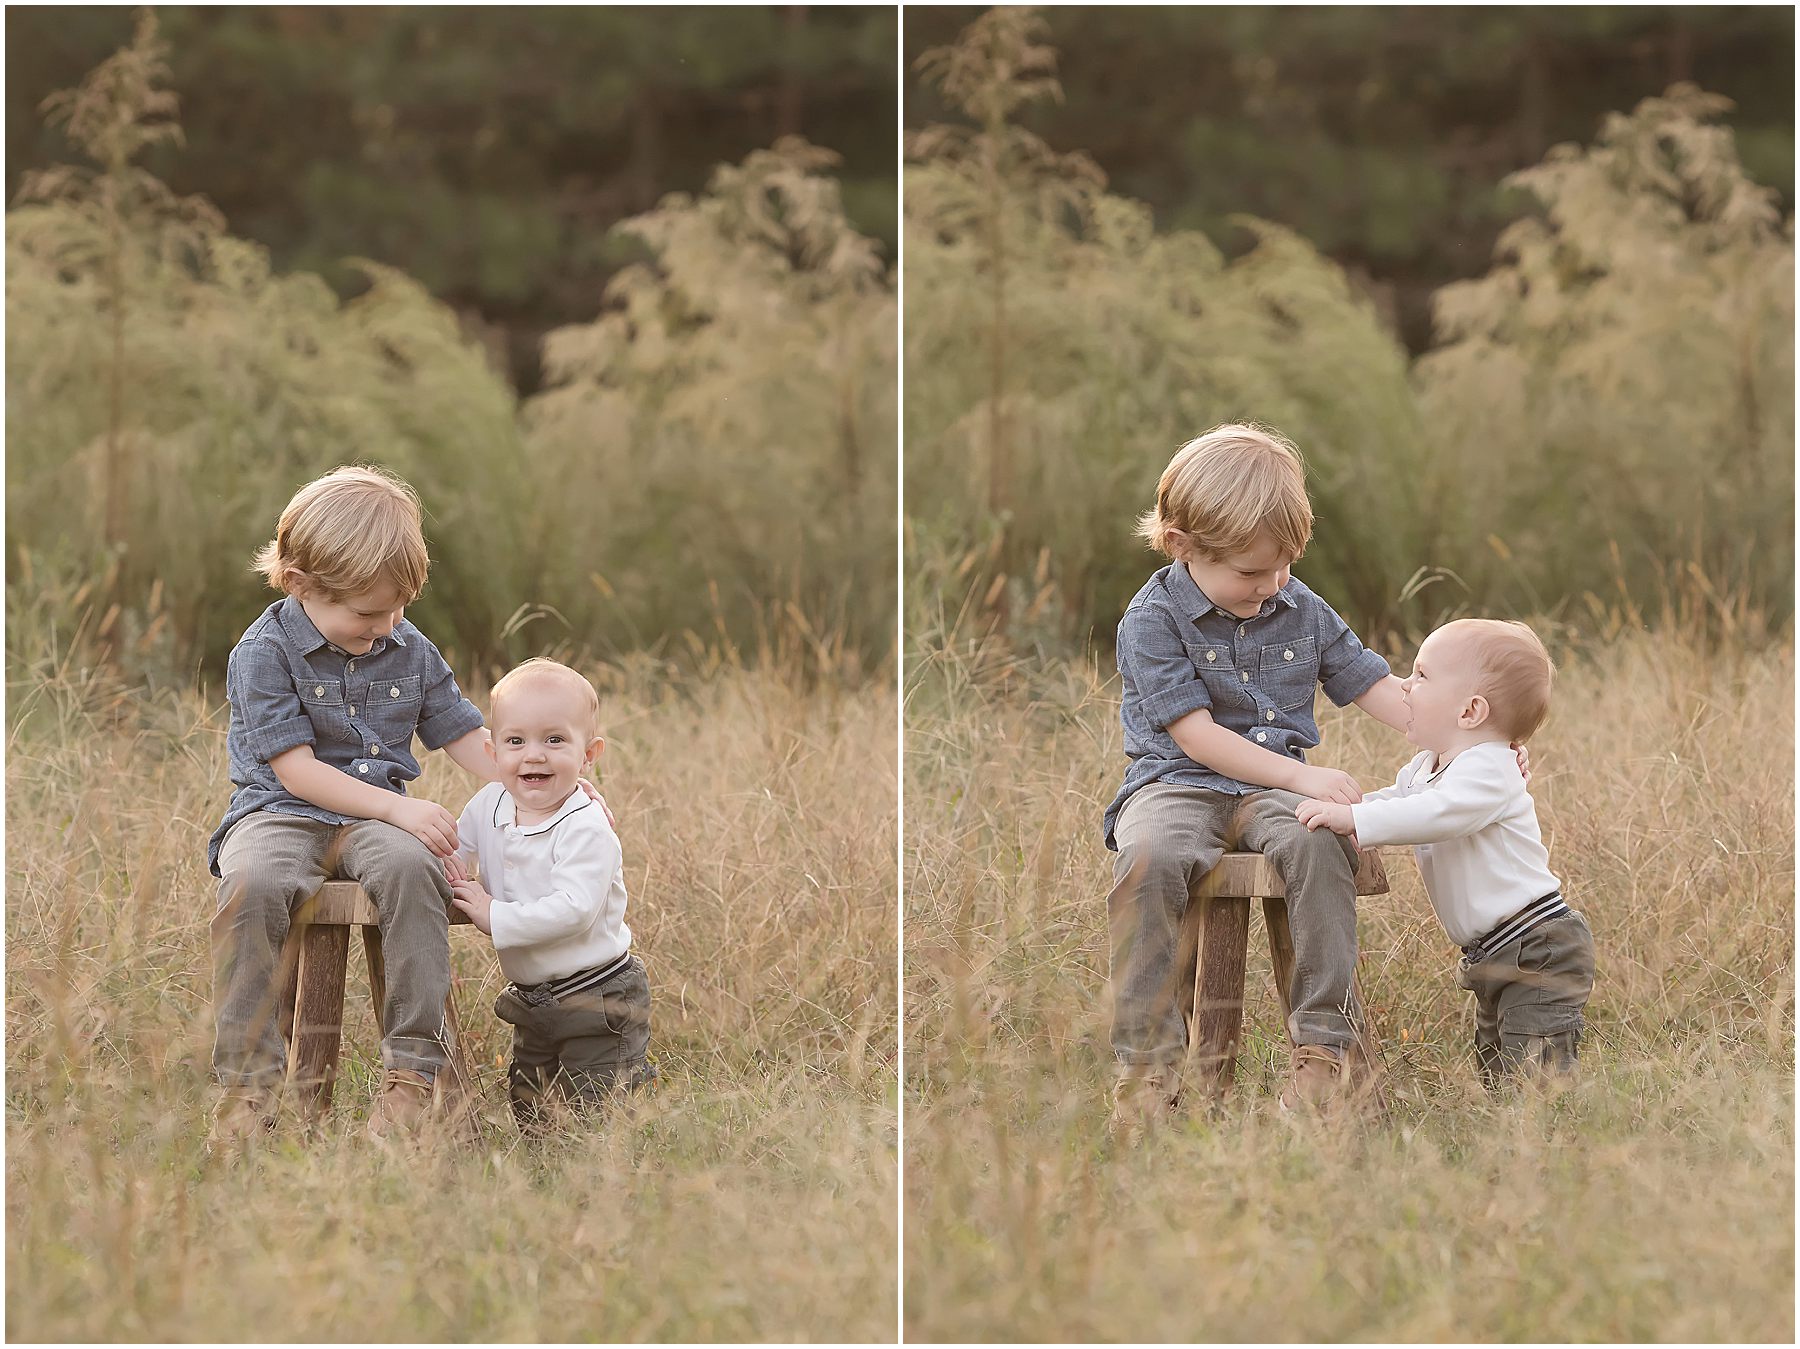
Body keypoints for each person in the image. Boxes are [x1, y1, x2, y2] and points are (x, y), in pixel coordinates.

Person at [1105, 423, 1419, 1137]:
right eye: (1251, 573)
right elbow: (1196, 736)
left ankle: (1321, 1053)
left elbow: (1376, 685)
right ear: (1183, 543)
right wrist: (1301, 778)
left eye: (1281, 567)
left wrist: (1475, 737)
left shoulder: (1300, 606)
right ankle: (1149, 1068)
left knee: (1320, 842)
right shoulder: (1151, 619)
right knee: (1149, 859)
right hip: (1175, 784)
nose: (1270, 585)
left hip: (1274, 795)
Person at [208, 464, 490, 1145]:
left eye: (399, 608)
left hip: (371, 824)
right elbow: (297, 772)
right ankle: (250, 1092)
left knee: (416, 867)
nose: (386, 625)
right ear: (300, 583)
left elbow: (463, 733)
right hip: (278, 812)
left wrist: (537, 782)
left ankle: (411, 1081)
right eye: (367, 613)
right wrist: (400, 810)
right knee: (253, 884)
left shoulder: (407, 646)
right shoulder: (264, 652)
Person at [1297, 618, 1594, 1089]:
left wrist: (1358, 823)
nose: (1406, 687)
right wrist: (1346, 809)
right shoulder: (1426, 767)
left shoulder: (1492, 766)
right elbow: (1401, 803)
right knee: (1498, 1061)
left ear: (1470, 711)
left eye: (1421, 676)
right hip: (1492, 950)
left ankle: (1552, 1144)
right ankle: (1513, 1140)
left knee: (1536, 1072)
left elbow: (1440, 814)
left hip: (1538, 944)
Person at [445, 658, 652, 1131]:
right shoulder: (490, 804)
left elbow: (575, 910)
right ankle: (539, 1163)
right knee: (531, 1102)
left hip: (597, 994)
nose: (533, 755)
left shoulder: (585, 826)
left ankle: (600, 1173)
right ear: (492, 750)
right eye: (516, 741)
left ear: (590, 753)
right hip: (533, 998)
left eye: (555, 740)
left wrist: (493, 914)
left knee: (597, 1107)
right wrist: (441, 861)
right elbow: (455, 848)